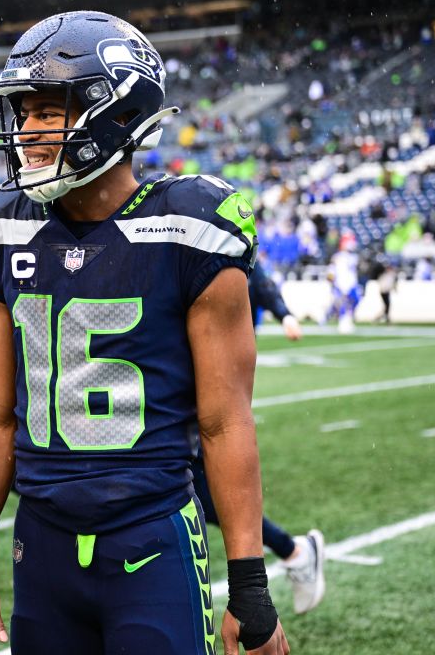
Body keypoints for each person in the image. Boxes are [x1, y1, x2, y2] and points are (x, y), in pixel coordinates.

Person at [0, 11, 289, 655]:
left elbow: (225, 421)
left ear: (115, 110)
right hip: (42, 541)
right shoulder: (3, 226)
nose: (26, 133)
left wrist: (249, 583)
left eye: (47, 111)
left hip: (151, 535)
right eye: (21, 114)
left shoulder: (189, 225)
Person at [185, 257, 326, 617]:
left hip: (209, 368)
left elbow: (253, 271)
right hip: (183, 367)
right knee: (197, 486)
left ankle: (290, 554)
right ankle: (294, 552)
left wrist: (285, 312)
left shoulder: (205, 224)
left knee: (201, 483)